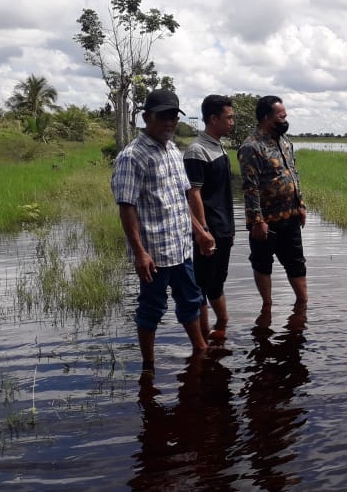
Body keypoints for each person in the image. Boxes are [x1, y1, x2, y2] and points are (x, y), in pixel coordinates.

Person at [111, 89, 216, 374]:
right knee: (151, 309)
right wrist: (140, 253)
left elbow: (181, 201)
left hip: (181, 249)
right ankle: (148, 367)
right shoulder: (132, 157)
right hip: (155, 254)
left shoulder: (173, 151)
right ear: (146, 118)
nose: (169, 122)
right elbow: (127, 207)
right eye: (162, 117)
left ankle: (200, 349)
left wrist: (200, 232)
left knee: (191, 300)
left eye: (173, 117)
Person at [237, 95, 308, 313]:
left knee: (296, 263)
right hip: (266, 221)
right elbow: (250, 187)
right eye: (281, 116)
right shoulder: (252, 147)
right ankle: (267, 307)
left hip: (291, 216)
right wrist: (258, 221)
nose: (285, 120)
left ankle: (302, 305)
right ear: (267, 118)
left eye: (285, 116)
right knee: (262, 264)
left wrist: (301, 204)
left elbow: (293, 174)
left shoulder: (285, 142)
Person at [183, 94, 236, 342]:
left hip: (224, 228)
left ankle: (221, 329)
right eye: (229, 117)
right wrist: (203, 230)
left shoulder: (217, 146)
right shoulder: (197, 150)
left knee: (217, 282)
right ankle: (203, 342)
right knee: (201, 286)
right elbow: (193, 193)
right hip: (209, 230)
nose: (232, 122)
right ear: (213, 119)